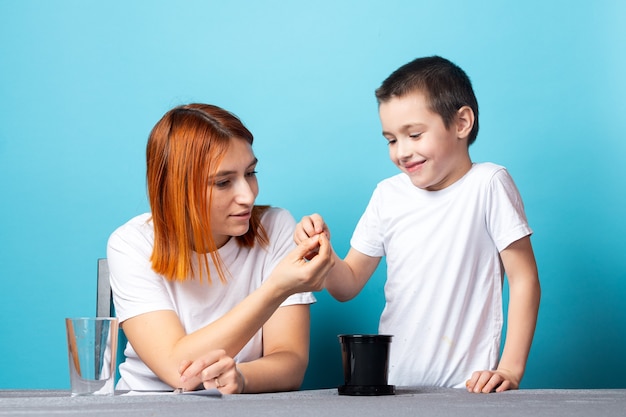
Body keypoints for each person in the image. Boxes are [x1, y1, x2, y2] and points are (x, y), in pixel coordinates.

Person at [295, 56, 541, 393]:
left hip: (467, 388)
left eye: (414, 134)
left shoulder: (488, 184)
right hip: (393, 385)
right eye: (391, 140)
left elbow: (524, 277)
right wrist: (323, 255)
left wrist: (510, 369)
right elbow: (346, 285)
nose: (402, 152)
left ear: (461, 123)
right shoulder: (387, 195)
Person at [107, 103, 333, 394]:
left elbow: (291, 361)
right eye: (224, 182)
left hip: (241, 408)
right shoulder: (131, 243)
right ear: (177, 187)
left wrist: (241, 377)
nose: (247, 195)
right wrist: (277, 288)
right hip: (147, 405)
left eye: (250, 173)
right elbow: (179, 371)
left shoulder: (275, 228)